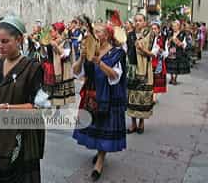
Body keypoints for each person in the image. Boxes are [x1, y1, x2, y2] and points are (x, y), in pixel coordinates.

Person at [0, 15, 45, 183]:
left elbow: (38, 106)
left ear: (19, 39)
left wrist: (7, 108)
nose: (0, 46)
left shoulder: (33, 68)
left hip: (19, 135)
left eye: (5, 41)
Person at [73, 23, 127, 182]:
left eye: (99, 31)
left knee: (104, 126)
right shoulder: (89, 50)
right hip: (91, 94)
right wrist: (82, 57)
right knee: (95, 126)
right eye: (94, 31)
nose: (95, 34)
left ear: (108, 35)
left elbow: (115, 76)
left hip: (107, 96)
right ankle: (99, 151)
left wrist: (99, 62)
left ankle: (100, 162)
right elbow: (76, 72)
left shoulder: (117, 53)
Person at [127, 13, 157, 134]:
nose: (138, 23)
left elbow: (154, 53)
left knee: (143, 97)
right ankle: (133, 124)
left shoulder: (151, 35)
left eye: (140, 20)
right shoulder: (130, 35)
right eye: (136, 21)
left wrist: (144, 50)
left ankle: (141, 123)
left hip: (145, 70)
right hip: (132, 69)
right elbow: (126, 50)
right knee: (132, 97)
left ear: (145, 22)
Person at [41, 22, 76, 108]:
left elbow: (65, 55)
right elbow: (44, 54)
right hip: (51, 67)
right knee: (50, 89)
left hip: (62, 68)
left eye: (52, 31)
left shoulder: (66, 41)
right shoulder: (49, 41)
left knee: (59, 89)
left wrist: (56, 46)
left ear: (57, 31)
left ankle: (58, 108)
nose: (50, 33)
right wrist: (42, 46)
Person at [165, 20, 190, 85]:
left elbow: (184, 44)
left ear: (178, 26)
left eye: (176, 26)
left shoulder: (182, 34)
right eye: (173, 26)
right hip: (171, 51)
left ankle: (174, 79)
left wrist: (178, 42)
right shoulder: (170, 33)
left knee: (176, 66)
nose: (174, 27)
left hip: (178, 51)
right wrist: (169, 41)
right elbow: (167, 42)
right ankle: (171, 78)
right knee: (170, 66)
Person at [151, 21, 168, 104]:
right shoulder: (149, 37)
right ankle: (151, 96)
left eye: (155, 29)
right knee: (150, 79)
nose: (153, 30)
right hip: (150, 60)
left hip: (159, 61)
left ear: (158, 29)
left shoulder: (164, 38)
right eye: (152, 29)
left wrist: (161, 51)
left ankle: (154, 97)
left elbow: (166, 53)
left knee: (157, 79)